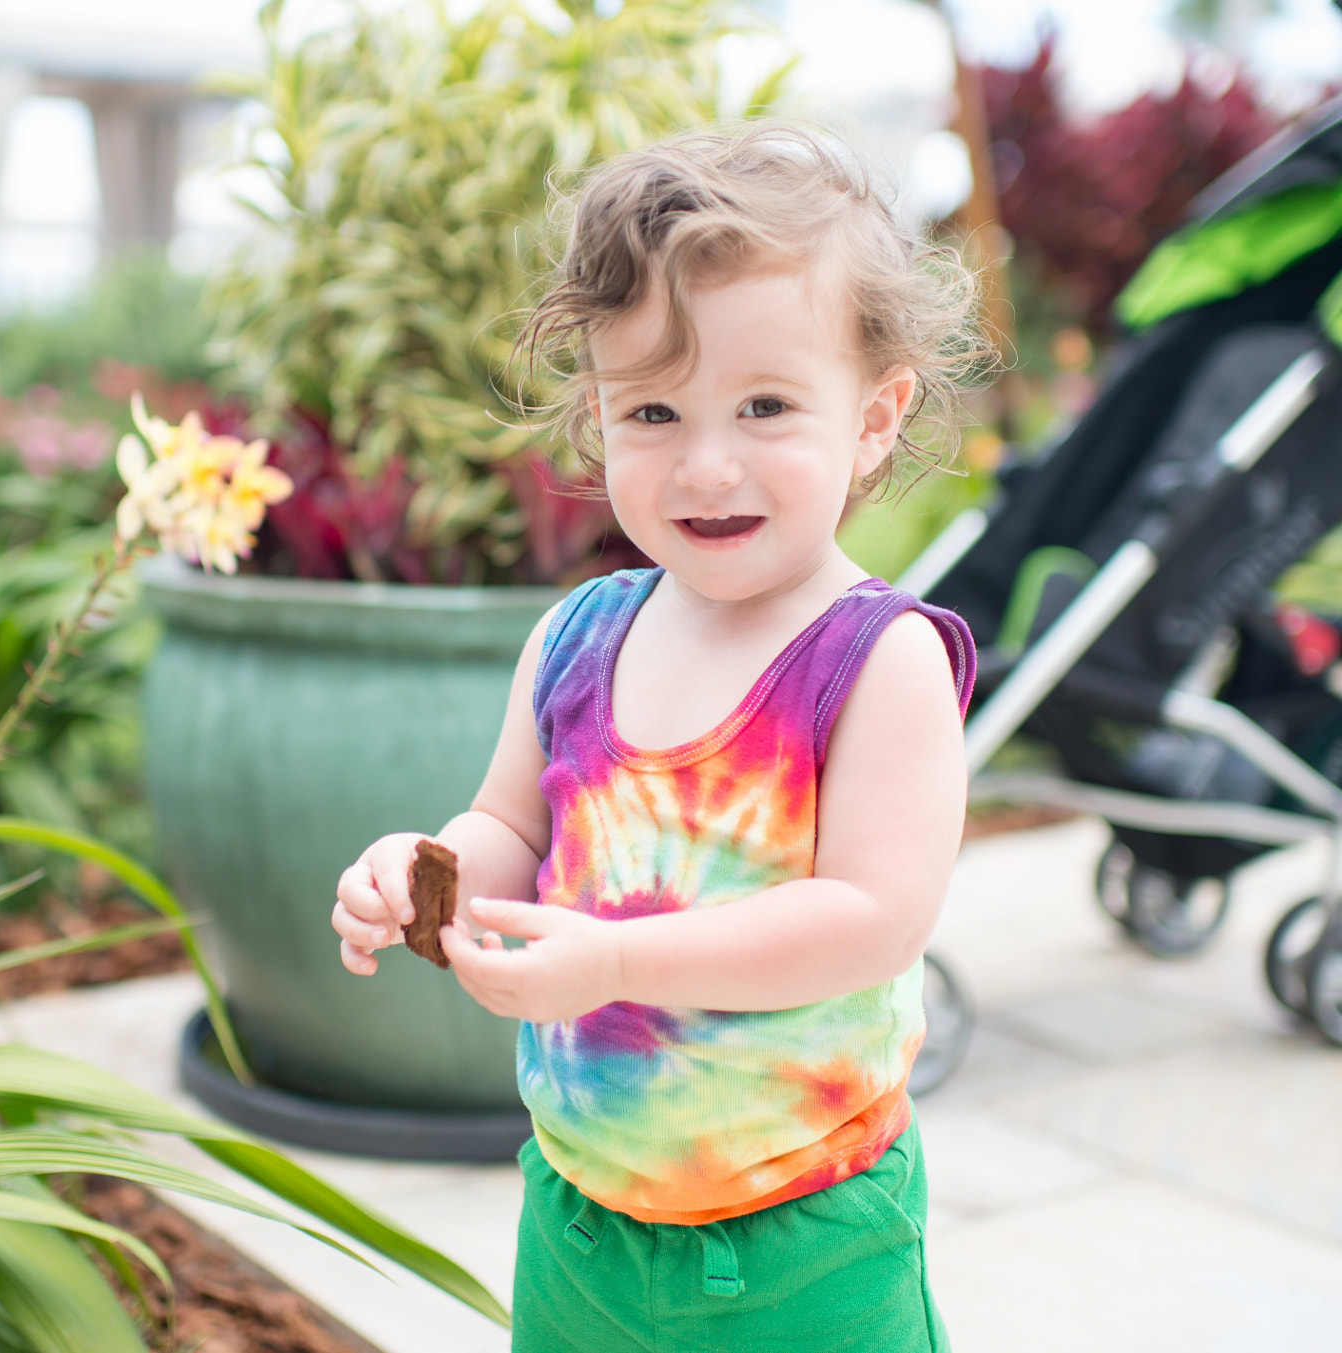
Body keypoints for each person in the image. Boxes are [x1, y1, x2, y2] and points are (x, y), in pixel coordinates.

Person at [331, 123, 990, 1352]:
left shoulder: (874, 662)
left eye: (762, 405)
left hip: (805, 1240)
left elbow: (870, 921)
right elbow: (510, 829)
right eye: (650, 408)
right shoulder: (580, 636)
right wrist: (422, 865)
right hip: (582, 1221)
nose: (705, 463)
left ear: (872, 417)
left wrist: (619, 966)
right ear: (594, 415)